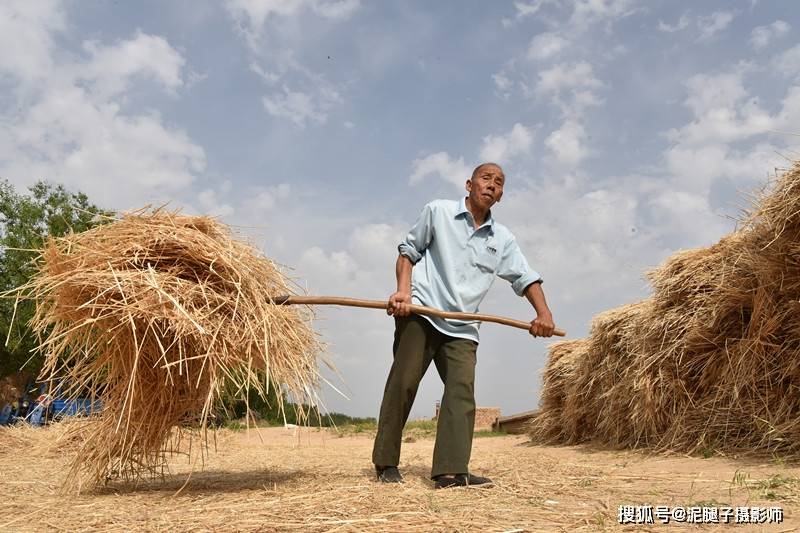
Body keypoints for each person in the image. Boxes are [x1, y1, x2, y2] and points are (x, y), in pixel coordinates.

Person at [372, 162, 556, 489]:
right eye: (486, 179)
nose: (492, 185)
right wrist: (402, 292)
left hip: (462, 327)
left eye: (499, 183)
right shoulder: (438, 212)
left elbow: (526, 277)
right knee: (403, 384)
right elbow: (408, 252)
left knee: (461, 393)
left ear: (500, 196)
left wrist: (544, 314)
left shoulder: (502, 239)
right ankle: (386, 463)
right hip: (421, 312)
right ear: (469, 184)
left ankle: (450, 471)